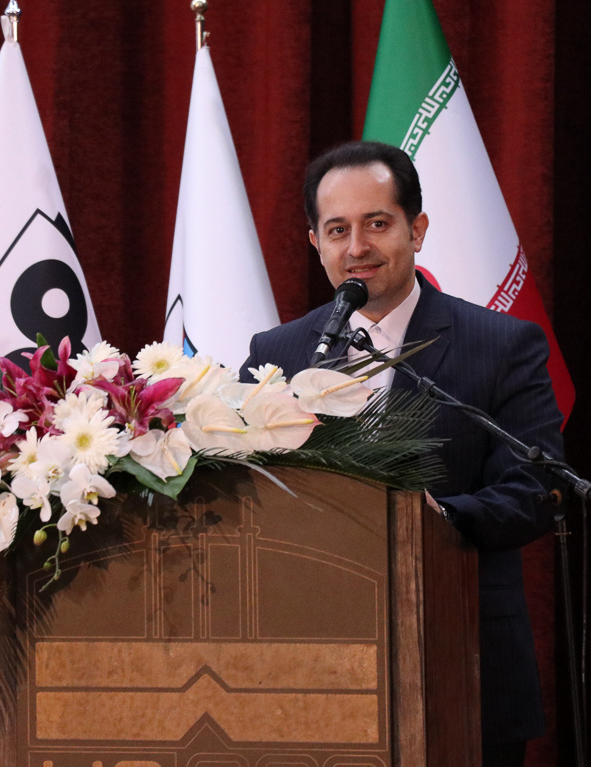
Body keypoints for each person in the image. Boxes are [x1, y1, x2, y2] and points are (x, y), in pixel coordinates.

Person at [240, 141, 565, 767]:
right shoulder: (277, 351)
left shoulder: (501, 344)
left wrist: (431, 520)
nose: (357, 247)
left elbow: (536, 491)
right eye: (338, 230)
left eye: (377, 223)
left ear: (416, 230)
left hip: (461, 660)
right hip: (305, 669)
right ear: (315, 242)